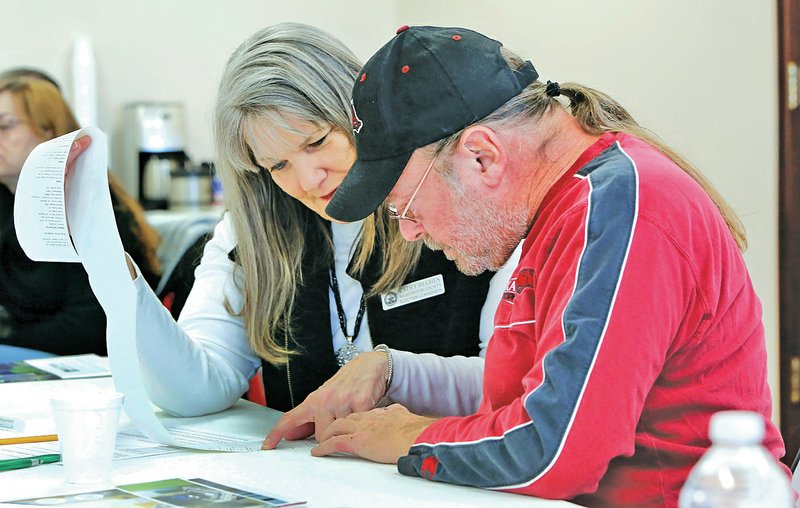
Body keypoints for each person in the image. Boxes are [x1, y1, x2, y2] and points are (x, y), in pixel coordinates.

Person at [277, 25, 788, 507]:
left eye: (404, 208)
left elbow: (555, 449)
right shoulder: (563, 210)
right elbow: (532, 391)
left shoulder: (620, 207)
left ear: (482, 157)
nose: (410, 232)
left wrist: (411, 436)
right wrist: (394, 375)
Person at [69, 23, 516, 421]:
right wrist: (121, 285)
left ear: (360, 112)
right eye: (277, 165)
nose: (307, 180)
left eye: (318, 142)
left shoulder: (457, 203)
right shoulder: (251, 233)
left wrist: (391, 373)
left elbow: (512, 385)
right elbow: (194, 391)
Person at [0, 76, 161, 360]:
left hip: (96, 364)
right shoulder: (5, 198)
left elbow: (90, 324)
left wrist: (9, 344)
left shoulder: (86, 200)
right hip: (33, 351)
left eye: (5, 125)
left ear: (49, 132)